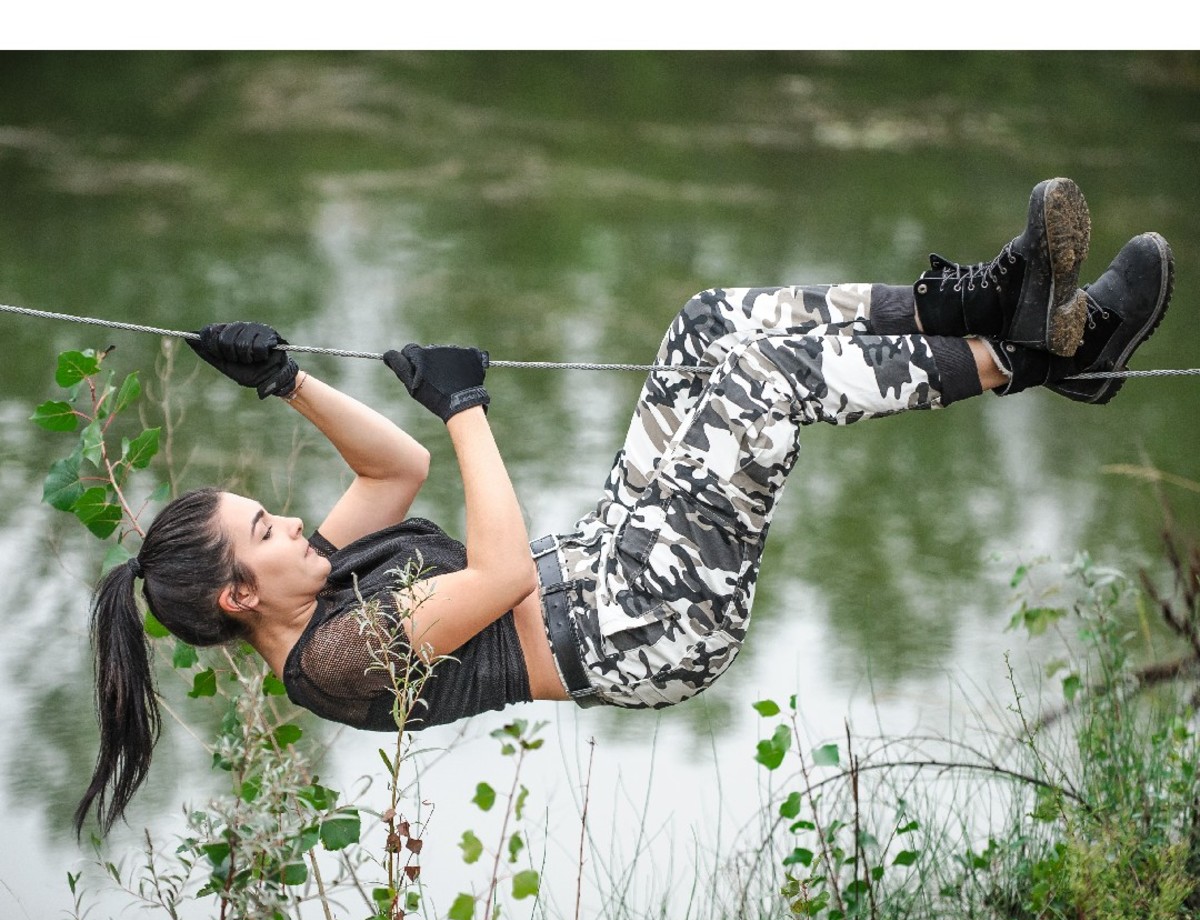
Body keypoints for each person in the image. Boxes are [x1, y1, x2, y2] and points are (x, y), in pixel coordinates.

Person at [73, 179, 1175, 836]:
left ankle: (992, 301)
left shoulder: (307, 575)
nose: (288, 526)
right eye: (264, 531)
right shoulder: (332, 656)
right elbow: (497, 571)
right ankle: (1045, 355)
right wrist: (468, 405)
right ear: (237, 592)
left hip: (610, 556)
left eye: (270, 511)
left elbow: (394, 472)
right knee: (762, 389)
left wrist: (286, 381)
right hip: (644, 624)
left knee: (705, 328)